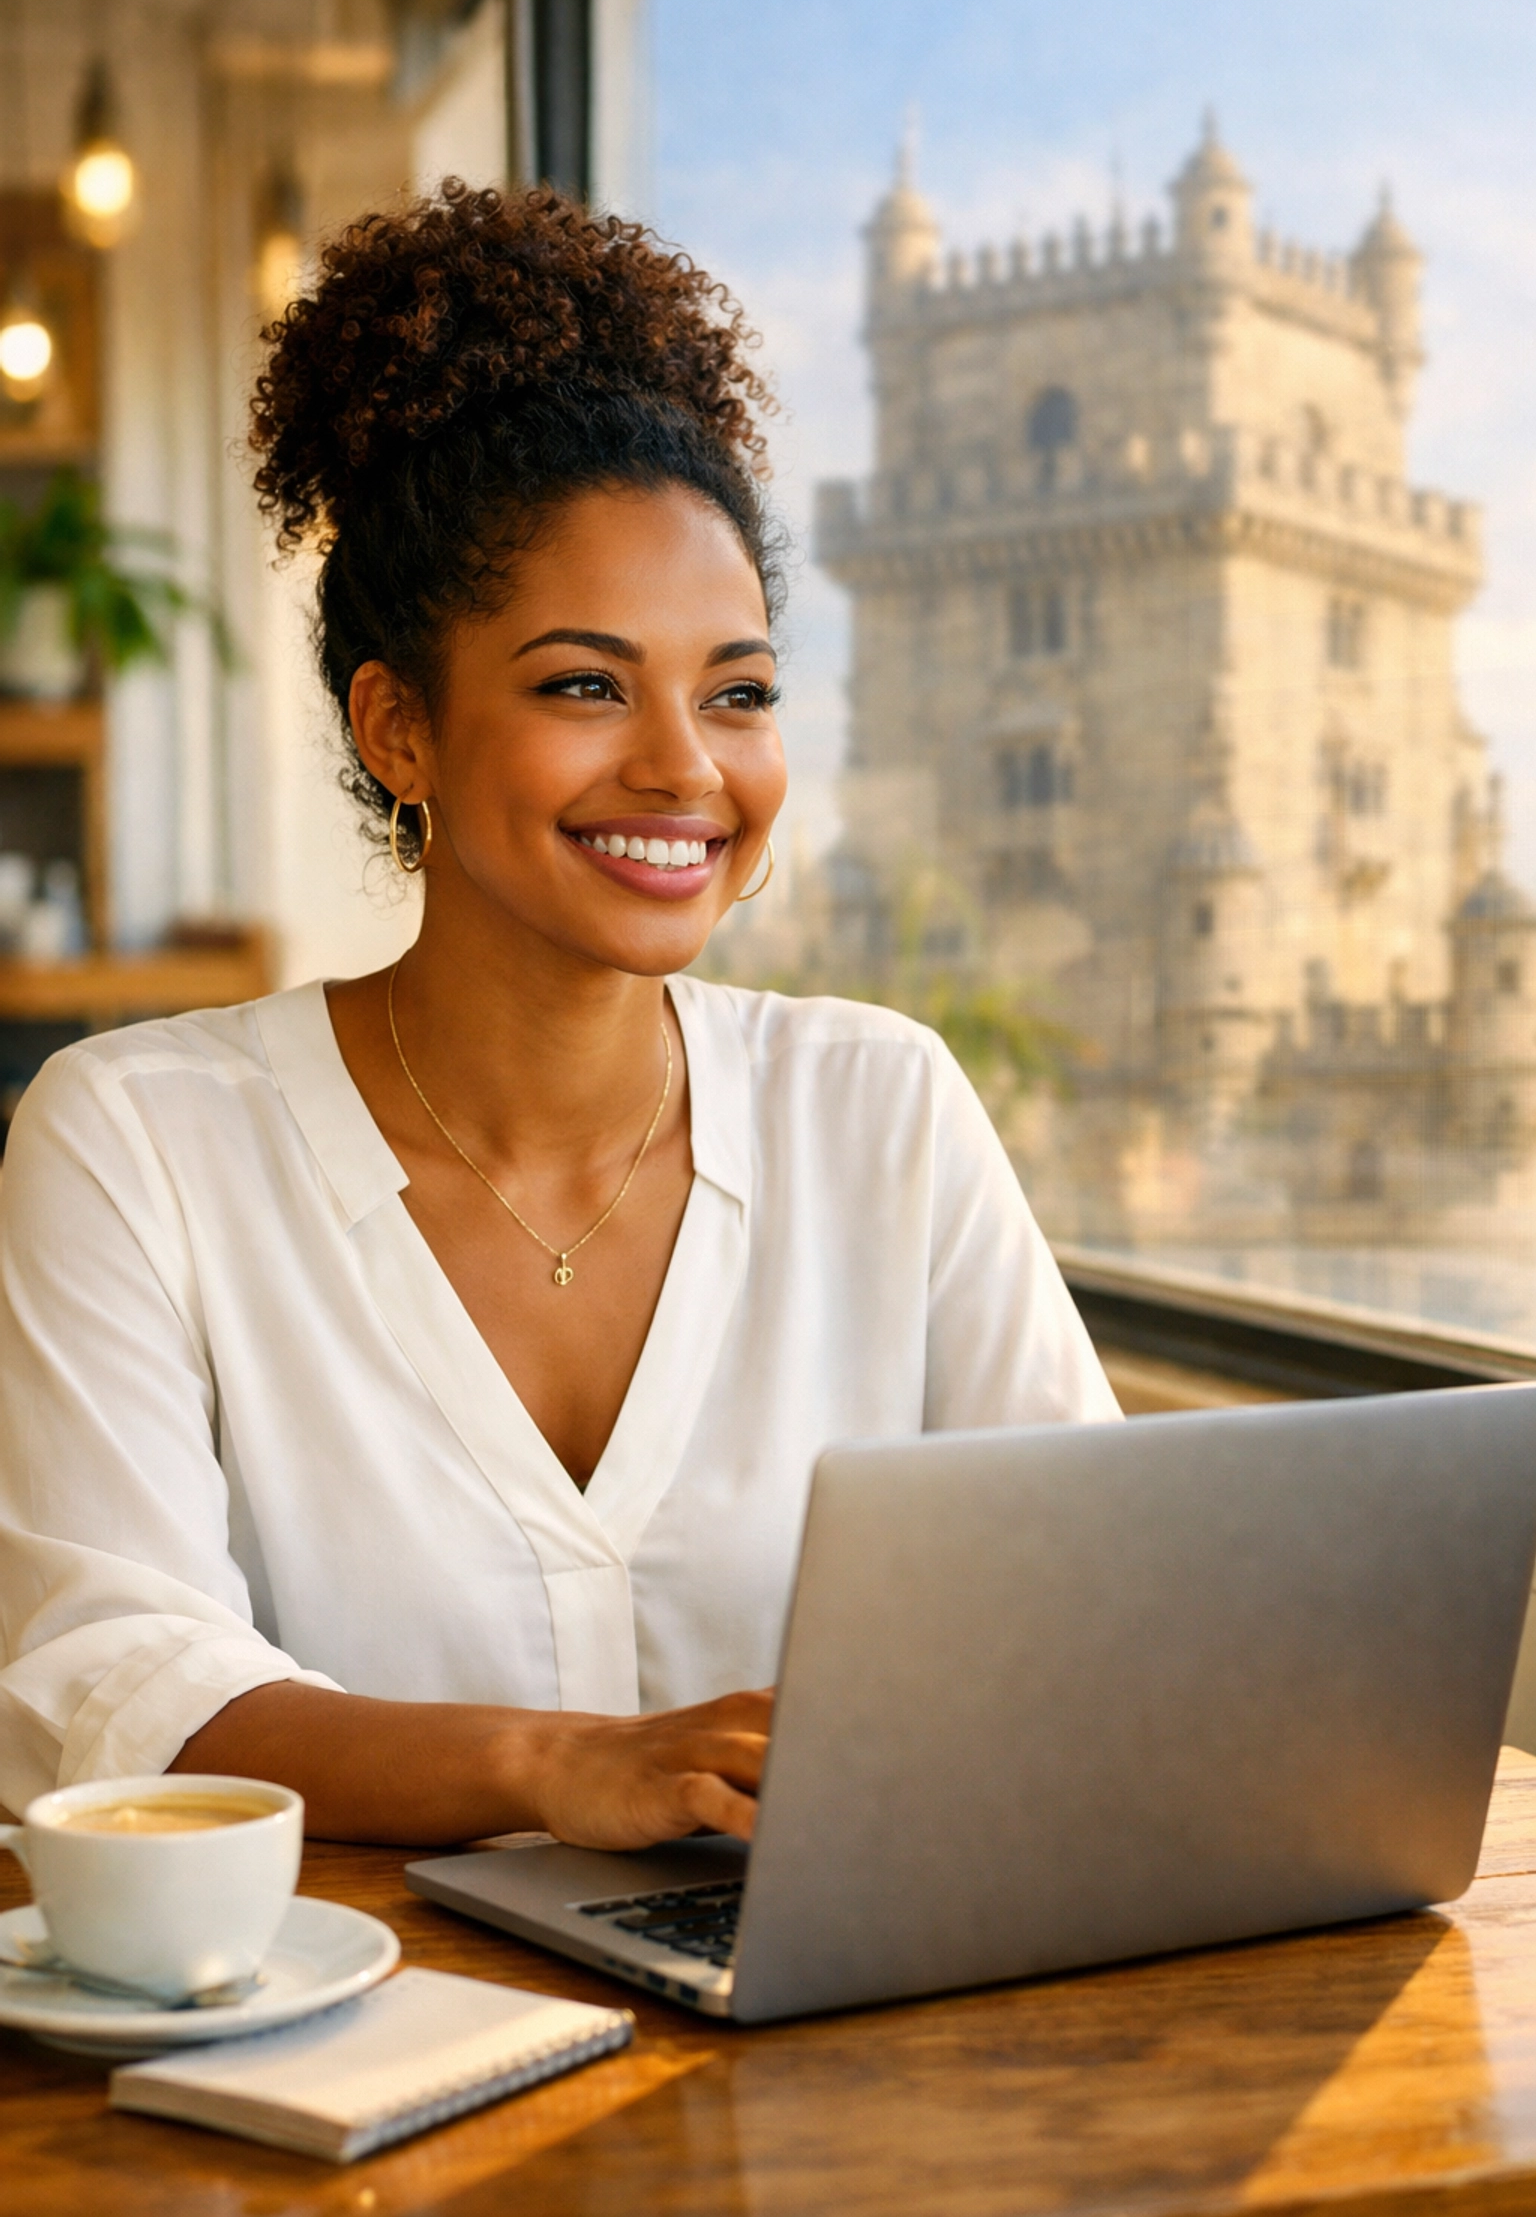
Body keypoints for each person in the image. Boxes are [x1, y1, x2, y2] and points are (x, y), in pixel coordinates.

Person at [0, 184, 1118, 1847]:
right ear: (400, 729)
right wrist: (551, 1766)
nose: (686, 767)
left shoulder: (879, 1107)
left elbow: (1099, 1590)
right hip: (349, 2052)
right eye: (587, 684)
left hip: (830, 2029)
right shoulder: (135, 1143)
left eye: (735, 692)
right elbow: (115, 1682)